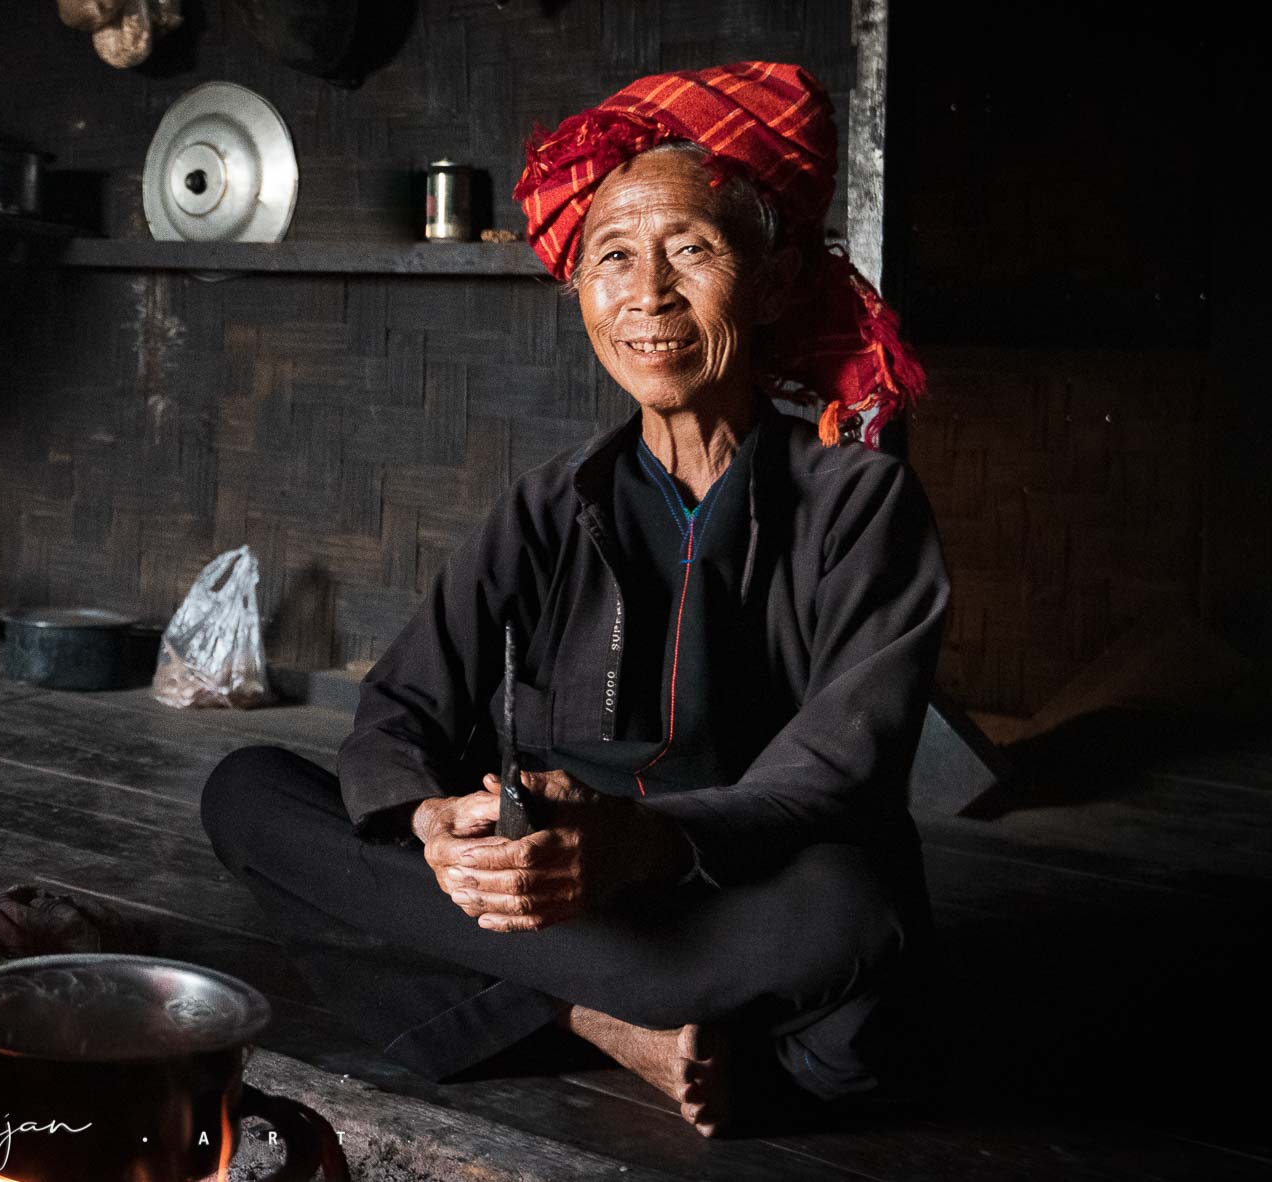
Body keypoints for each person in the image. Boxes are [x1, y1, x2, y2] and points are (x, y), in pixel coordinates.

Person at [200, 61, 944, 1136]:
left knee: (852, 920)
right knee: (249, 789)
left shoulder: (858, 503)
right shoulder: (550, 507)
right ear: (580, 292)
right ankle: (606, 1017)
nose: (647, 295)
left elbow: (838, 773)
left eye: (691, 250)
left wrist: (645, 844)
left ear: (775, 285)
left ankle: (552, 997)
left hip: (737, 881)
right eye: (611, 258)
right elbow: (399, 714)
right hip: (549, 881)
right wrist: (432, 819)